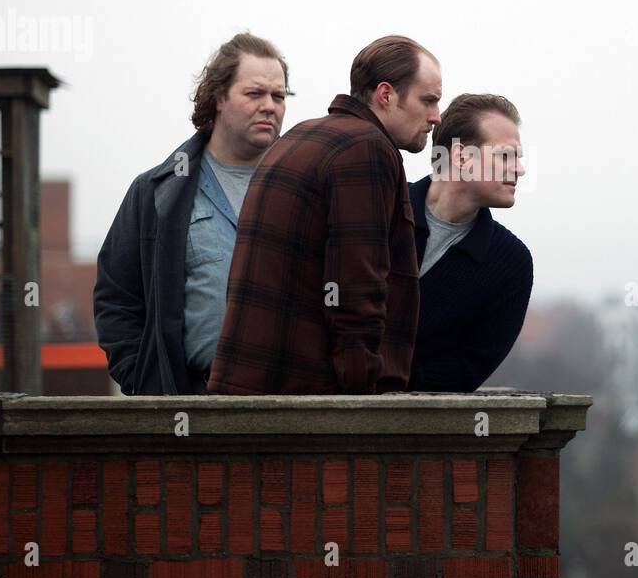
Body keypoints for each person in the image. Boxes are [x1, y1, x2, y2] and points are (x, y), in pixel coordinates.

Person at [208, 35, 441, 395]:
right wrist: (362, 394)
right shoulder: (366, 149)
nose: (435, 117)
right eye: (428, 100)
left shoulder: (300, 138)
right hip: (305, 407)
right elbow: (356, 287)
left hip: (249, 393)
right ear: (386, 94)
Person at [93, 32, 290, 395]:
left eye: (278, 96)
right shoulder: (156, 192)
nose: (270, 106)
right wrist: (145, 380)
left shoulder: (303, 190)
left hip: (289, 406)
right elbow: (116, 297)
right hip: (192, 407)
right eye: (254, 93)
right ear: (218, 97)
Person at [408, 94, 532, 392]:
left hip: (410, 427)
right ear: (461, 157)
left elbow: (469, 369)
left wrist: (384, 378)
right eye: (506, 156)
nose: (520, 169)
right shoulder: (378, 209)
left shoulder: (510, 263)